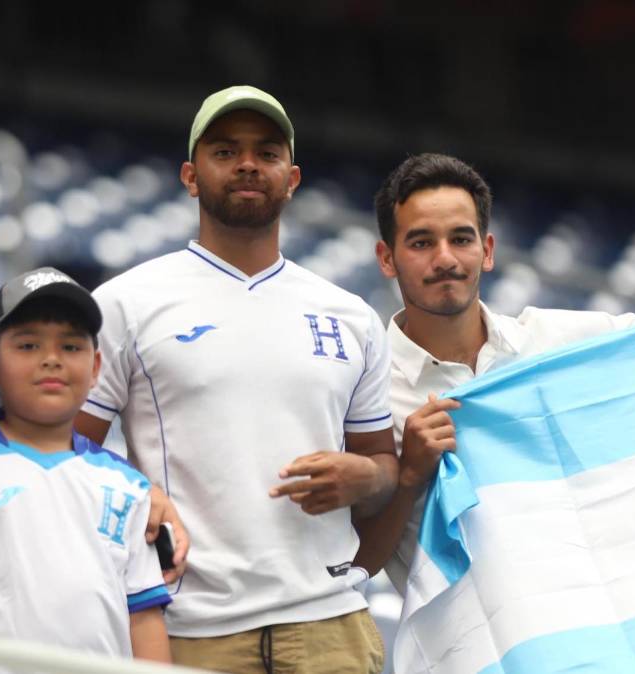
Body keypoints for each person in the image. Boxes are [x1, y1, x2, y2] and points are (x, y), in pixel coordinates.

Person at [74, 85, 398, 674]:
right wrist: (134, 490)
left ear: (292, 178)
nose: (248, 163)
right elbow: (62, 449)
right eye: (225, 151)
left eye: (267, 152)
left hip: (330, 629)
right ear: (191, 176)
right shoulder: (124, 303)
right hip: (187, 630)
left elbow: (384, 466)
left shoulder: (349, 315)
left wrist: (367, 475)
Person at [355, 152, 635, 597]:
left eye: (461, 239)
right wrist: (410, 476)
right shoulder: (365, 391)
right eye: (420, 243)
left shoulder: (554, 339)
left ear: (487, 251)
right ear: (386, 258)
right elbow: (358, 564)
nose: (445, 259)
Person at [0, 267, 171, 672]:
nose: (51, 360)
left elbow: (143, 618)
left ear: (95, 369)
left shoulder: (128, 486)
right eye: (28, 345)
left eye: (71, 347)